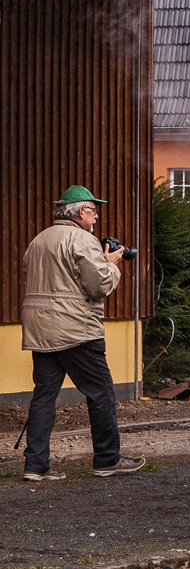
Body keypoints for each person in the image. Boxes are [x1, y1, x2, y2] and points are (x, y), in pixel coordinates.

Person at [21, 185, 143, 479]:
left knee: (43, 398)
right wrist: (112, 264)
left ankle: (35, 466)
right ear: (79, 212)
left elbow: (30, 273)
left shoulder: (38, 240)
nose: (96, 216)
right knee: (101, 394)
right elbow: (99, 286)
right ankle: (107, 460)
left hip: (40, 330)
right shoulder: (82, 239)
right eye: (92, 210)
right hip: (77, 330)